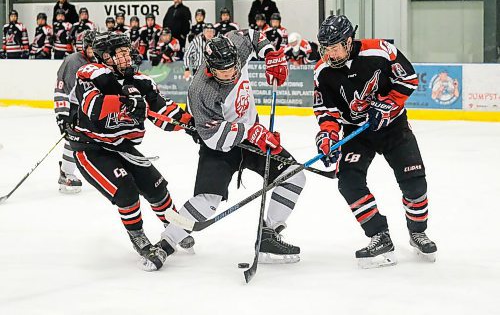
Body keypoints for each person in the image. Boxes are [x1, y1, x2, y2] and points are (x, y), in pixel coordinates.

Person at [160, 31, 306, 264]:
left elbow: (252, 35)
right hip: (219, 144)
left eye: (232, 68)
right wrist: (251, 131)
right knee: (207, 200)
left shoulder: (236, 45)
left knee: (294, 176)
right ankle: (166, 241)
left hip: (252, 136)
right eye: (222, 71)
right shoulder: (200, 90)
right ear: (210, 67)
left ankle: (268, 235)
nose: (229, 74)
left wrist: (270, 54)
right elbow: (211, 136)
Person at [313, 15, 437, 269]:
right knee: (348, 182)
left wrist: (388, 104)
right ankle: (379, 235)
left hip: (393, 127)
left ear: (349, 41)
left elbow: (408, 80)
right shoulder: (322, 71)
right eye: (326, 48)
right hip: (356, 133)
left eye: (335, 47)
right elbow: (326, 111)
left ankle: (417, 231)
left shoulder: (380, 51)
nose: (330, 54)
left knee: (415, 184)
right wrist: (327, 136)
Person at [69, 32, 196, 271]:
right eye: (122, 53)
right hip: (92, 148)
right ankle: (137, 235)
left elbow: (163, 113)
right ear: (106, 57)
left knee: (157, 186)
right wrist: (125, 101)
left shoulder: (141, 81)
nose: (129, 57)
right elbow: (93, 108)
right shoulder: (89, 75)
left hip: (122, 145)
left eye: (128, 52)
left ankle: (176, 225)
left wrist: (190, 124)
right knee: (126, 190)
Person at [54, 30, 96, 194]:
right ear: (85, 47)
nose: (94, 51)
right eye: (91, 48)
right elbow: (61, 90)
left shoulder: (98, 61)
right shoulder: (73, 62)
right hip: (73, 108)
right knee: (74, 140)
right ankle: (66, 173)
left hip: (90, 106)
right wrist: (62, 115)